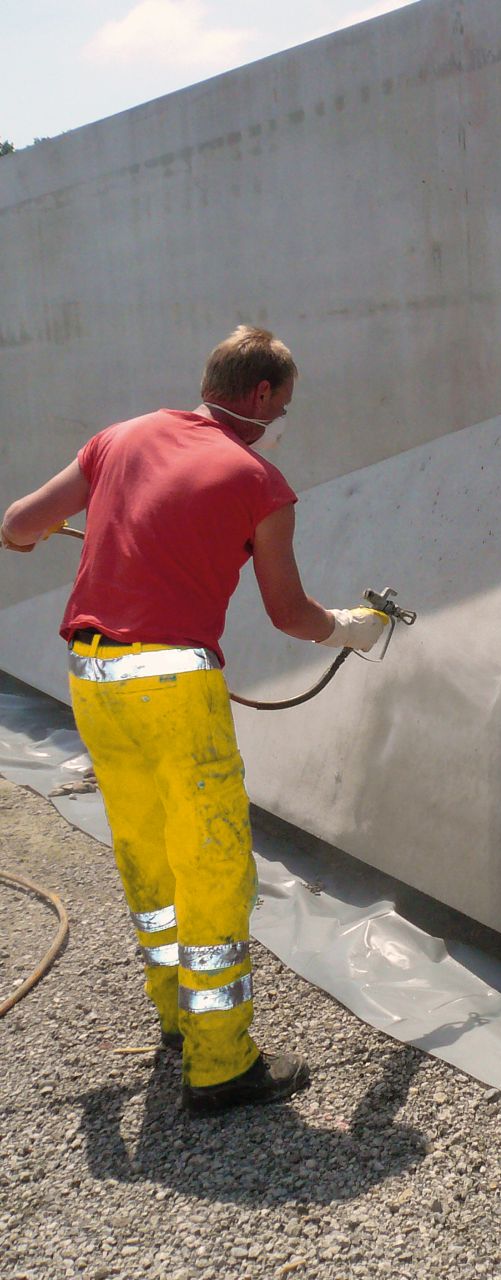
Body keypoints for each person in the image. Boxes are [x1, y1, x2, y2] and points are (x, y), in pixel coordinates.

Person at [1, 325, 387, 1113]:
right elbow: (288, 615)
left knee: (146, 848)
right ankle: (219, 1066)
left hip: (94, 678)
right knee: (212, 865)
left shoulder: (122, 436)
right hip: (174, 688)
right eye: (286, 403)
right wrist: (351, 627)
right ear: (261, 396)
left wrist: (39, 535)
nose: (285, 417)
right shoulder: (259, 482)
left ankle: (176, 1013)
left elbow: (16, 524)